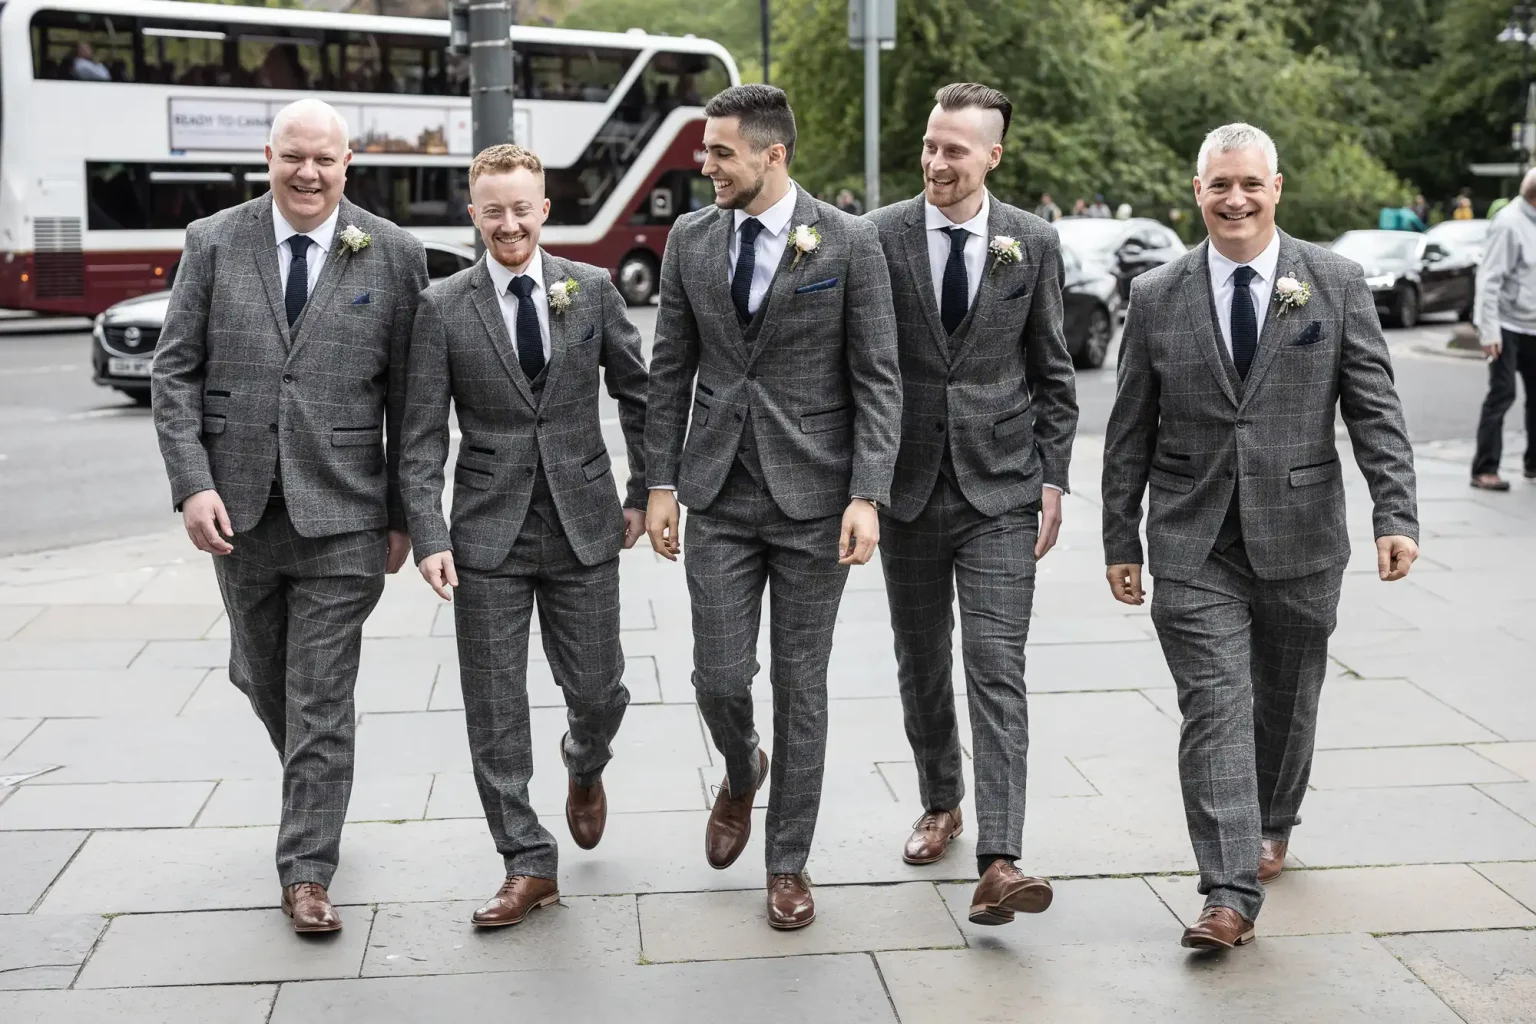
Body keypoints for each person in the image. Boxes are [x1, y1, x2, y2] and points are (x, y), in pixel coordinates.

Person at [1102, 122, 1419, 951]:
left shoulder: (1336, 281)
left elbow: (1375, 410)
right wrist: (1119, 539)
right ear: (1197, 191)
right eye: (1219, 185)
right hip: (1193, 537)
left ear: (1277, 188)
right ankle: (1227, 891)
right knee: (1215, 705)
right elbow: (1128, 428)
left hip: (1303, 535)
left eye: (1249, 184)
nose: (1234, 199)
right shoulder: (1157, 294)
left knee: (1286, 699)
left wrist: (1396, 513)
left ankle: (1274, 818)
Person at [151, 99, 429, 934]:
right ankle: (320, 781)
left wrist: (408, 515)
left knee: (318, 694)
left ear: (351, 165)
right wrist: (191, 484)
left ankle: (307, 870)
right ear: (268, 156)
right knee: (263, 674)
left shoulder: (394, 252)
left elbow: (413, 403)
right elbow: (175, 376)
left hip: (344, 511)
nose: (308, 174)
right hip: (236, 512)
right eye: (293, 157)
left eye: (325, 160)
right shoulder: (212, 241)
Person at [644, 84, 902, 930]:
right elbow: (670, 370)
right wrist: (659, 485)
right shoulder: (690, 237)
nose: (705, 165)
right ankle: (741, 766)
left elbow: (877, 379)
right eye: (706, 151)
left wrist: (867, 494)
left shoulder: (850, 242)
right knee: (718, 675)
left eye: (720, 152)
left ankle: (788, 862)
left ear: (772, 154)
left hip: (814, 499)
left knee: (804, 686)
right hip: (716, 491)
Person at [399, 144, 649, 927]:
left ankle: (586, 761)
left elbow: (639, 395)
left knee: (599, 690)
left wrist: (645, 490)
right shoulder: (442, 306)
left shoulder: (594, 289)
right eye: (493, 210)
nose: (509, 223)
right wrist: (430, 532)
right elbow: (418, 438)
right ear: (473, 216)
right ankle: (526, 861)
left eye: (522, 208)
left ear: (544, 210)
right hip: (486, 534)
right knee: (495, 706)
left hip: (584, 524)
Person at [867, 83, 1078, 925]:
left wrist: (1053, 480)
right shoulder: (876, 237)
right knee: (920, 660)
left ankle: (1001, 858)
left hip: (1001, 489)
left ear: (993, 154)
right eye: (929, 144)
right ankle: (940, 802)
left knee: (996, 666)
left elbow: (1054, 375)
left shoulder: (1033, 242)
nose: (936, 162)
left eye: (955, 149)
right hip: (906, 488)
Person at [1470, 167, 1536, 490]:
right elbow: (1489, 279)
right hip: (1507, 325)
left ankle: (1533, 464)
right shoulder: (1509, 224)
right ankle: (1484, 469)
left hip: (1534, 324)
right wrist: (1489, 332)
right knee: (1503, 393)